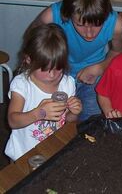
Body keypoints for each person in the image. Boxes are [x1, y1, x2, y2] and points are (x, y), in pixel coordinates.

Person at [24, 0, 122, 121]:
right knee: (45, 123)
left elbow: (118, 52)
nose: (89, 33)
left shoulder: (117, 25)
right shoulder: (51, 16)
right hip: (55, 73)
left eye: (97, 25)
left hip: (91, 77)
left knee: (92, 123)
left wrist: (100, 67)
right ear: (68, 13)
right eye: (80, 24)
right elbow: (31, 41)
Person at [5, 23, 82, 161]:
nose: (52, 75)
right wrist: (40, 113)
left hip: (54, 149)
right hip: (23, 154)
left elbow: (68, 120)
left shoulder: (67, 83)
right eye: (45, 69)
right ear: (29, 60)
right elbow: (12, 121)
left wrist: (74, 112)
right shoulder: (22, 84)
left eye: (58, 68)